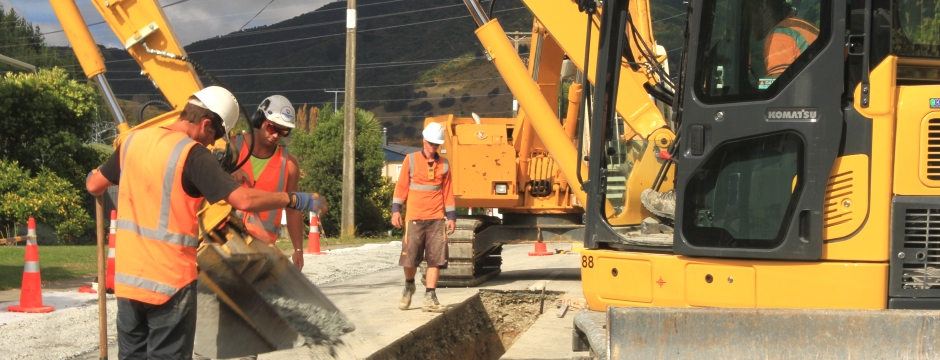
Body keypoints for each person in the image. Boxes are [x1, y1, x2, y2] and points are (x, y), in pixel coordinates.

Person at [85, 86, 327, 360]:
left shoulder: (132, 142)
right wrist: (294, 200)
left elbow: (94, 185)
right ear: (205, 124)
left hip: (129, 282)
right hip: (170, 282)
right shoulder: (193, 154)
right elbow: (244, 201)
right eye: (213, 136)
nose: (212, 144)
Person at [231, 95, 305, 270]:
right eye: (272, 127)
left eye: (283, 131)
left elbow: (293, 209)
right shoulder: (232, 147)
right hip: (225, 238)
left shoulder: (289, 165)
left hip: (261, 249)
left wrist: (298, 249)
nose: (276, 135)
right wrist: (228, 172)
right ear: (259, 120)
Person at [391, 122, 456, 312]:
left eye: (436, 144)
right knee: (410, 259)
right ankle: (409, 284)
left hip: (437, 218)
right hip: (414, 218)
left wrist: (451, 216)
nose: (432, 147)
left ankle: (430, 296)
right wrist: (396, 210)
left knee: (436, 259)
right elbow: (401, 186)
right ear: (423, 140)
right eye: (430, 143)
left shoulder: (444, 164)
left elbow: (448, 191)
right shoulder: (410, 160)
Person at [748, 0, 819, 78]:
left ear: (764, 9)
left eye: (751, 12)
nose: (750, 22)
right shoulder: (799, 25)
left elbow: (777, 83)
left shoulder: (779, 37)